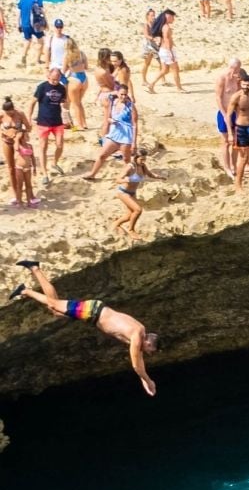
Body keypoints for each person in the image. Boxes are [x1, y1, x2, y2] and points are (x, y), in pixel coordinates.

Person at [12, 264, 159, 393]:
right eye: (150, 351)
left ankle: (29, 282)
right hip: (92, 311)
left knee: (56, 310)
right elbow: (136, 364)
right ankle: (29, 281)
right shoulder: (136, 336)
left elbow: (139, 361)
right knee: (53, 304)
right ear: (148, 343)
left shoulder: (140, 330)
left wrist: (144, 380)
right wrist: (148, 380)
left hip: (94, 313)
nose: (148, 353)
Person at [29, 67, 69, 178]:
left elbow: (65, 104)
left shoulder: (61, 88)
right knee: (43, 147)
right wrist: (29, 117)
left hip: (57, 121)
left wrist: (66, 89)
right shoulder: (42, 87)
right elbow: (32, 103)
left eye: (57, 79)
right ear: (48, 77)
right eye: (53, 80)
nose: (55, 82)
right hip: (43, 121)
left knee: (60, 144)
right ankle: (45, 173)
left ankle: (54, 163)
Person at [228, 74, 249, 191]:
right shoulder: (236, 97)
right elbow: (228, 116)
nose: (245, 87)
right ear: (240, 84)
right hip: (241, 128)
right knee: (243, 158)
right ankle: (238, 185)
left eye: (248, 85)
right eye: (243, 85)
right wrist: (230, 133)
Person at [1, 98, 37, 207]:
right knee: (11, 168)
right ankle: (15, 194)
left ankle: (29, 195)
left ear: (13, 109)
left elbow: (29, 127)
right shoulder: (2, 115)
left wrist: (20, 133)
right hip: (7, 142)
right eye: (7, 113)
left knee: (23, 166)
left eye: (10, 112)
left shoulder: (20, 114)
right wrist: (3, 132)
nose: (9, 114)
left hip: (19, 143)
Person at [114, 149, 155, 238]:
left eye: (144, 159)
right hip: (123, 192)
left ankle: (116, 224)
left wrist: (160, 177)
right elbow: (117, 179)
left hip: (132, 193)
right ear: (136, 158)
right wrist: (125, 179)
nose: (143, 161)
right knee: (138, 210)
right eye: (141, 159)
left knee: (129, 216)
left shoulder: (143, 166)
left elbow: (150, 174)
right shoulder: (130, 167)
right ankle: (131, 230)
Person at [150, 10, 181, 92]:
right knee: (175, 70)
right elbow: (167, 40)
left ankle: (151, 84)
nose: (173, 19)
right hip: (167, 51)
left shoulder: (163, 26)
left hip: (163, 50)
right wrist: (171, 54)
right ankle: (179, 88)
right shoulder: (166, 27)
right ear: (168, 17)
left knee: (165, 70)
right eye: (172, 17)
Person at [18, 0, 46, 66]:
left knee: (27, 40)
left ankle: (23, 57)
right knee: (41, 41)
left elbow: (19, 13)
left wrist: (18, 24)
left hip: (24, 24)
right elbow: (41, 11)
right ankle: (37, 60)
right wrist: (46, 22)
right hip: (35, 24)